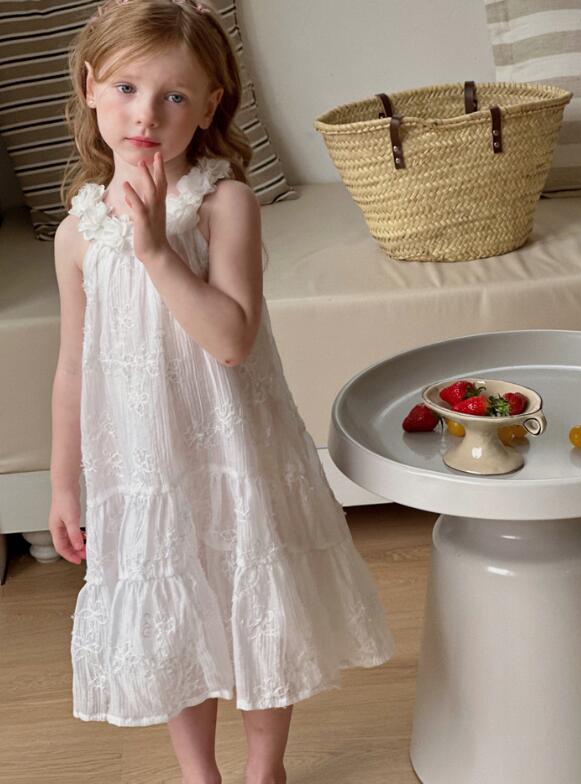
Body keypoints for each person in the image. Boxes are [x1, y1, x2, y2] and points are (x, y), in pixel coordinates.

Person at [48, 1, 396, 783]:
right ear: (91, 87)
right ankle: (198, 773)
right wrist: (65, 482)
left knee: (254, 598)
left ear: (208, 107)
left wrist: (155, 250)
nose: (147, 114)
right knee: (179, 608)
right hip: (148, 463)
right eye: (128, 88)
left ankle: (264, 769)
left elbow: (232, 339)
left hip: (233, 450)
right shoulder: (79, 234)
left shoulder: (222, 205)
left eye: (173, 95)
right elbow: (72, 365)